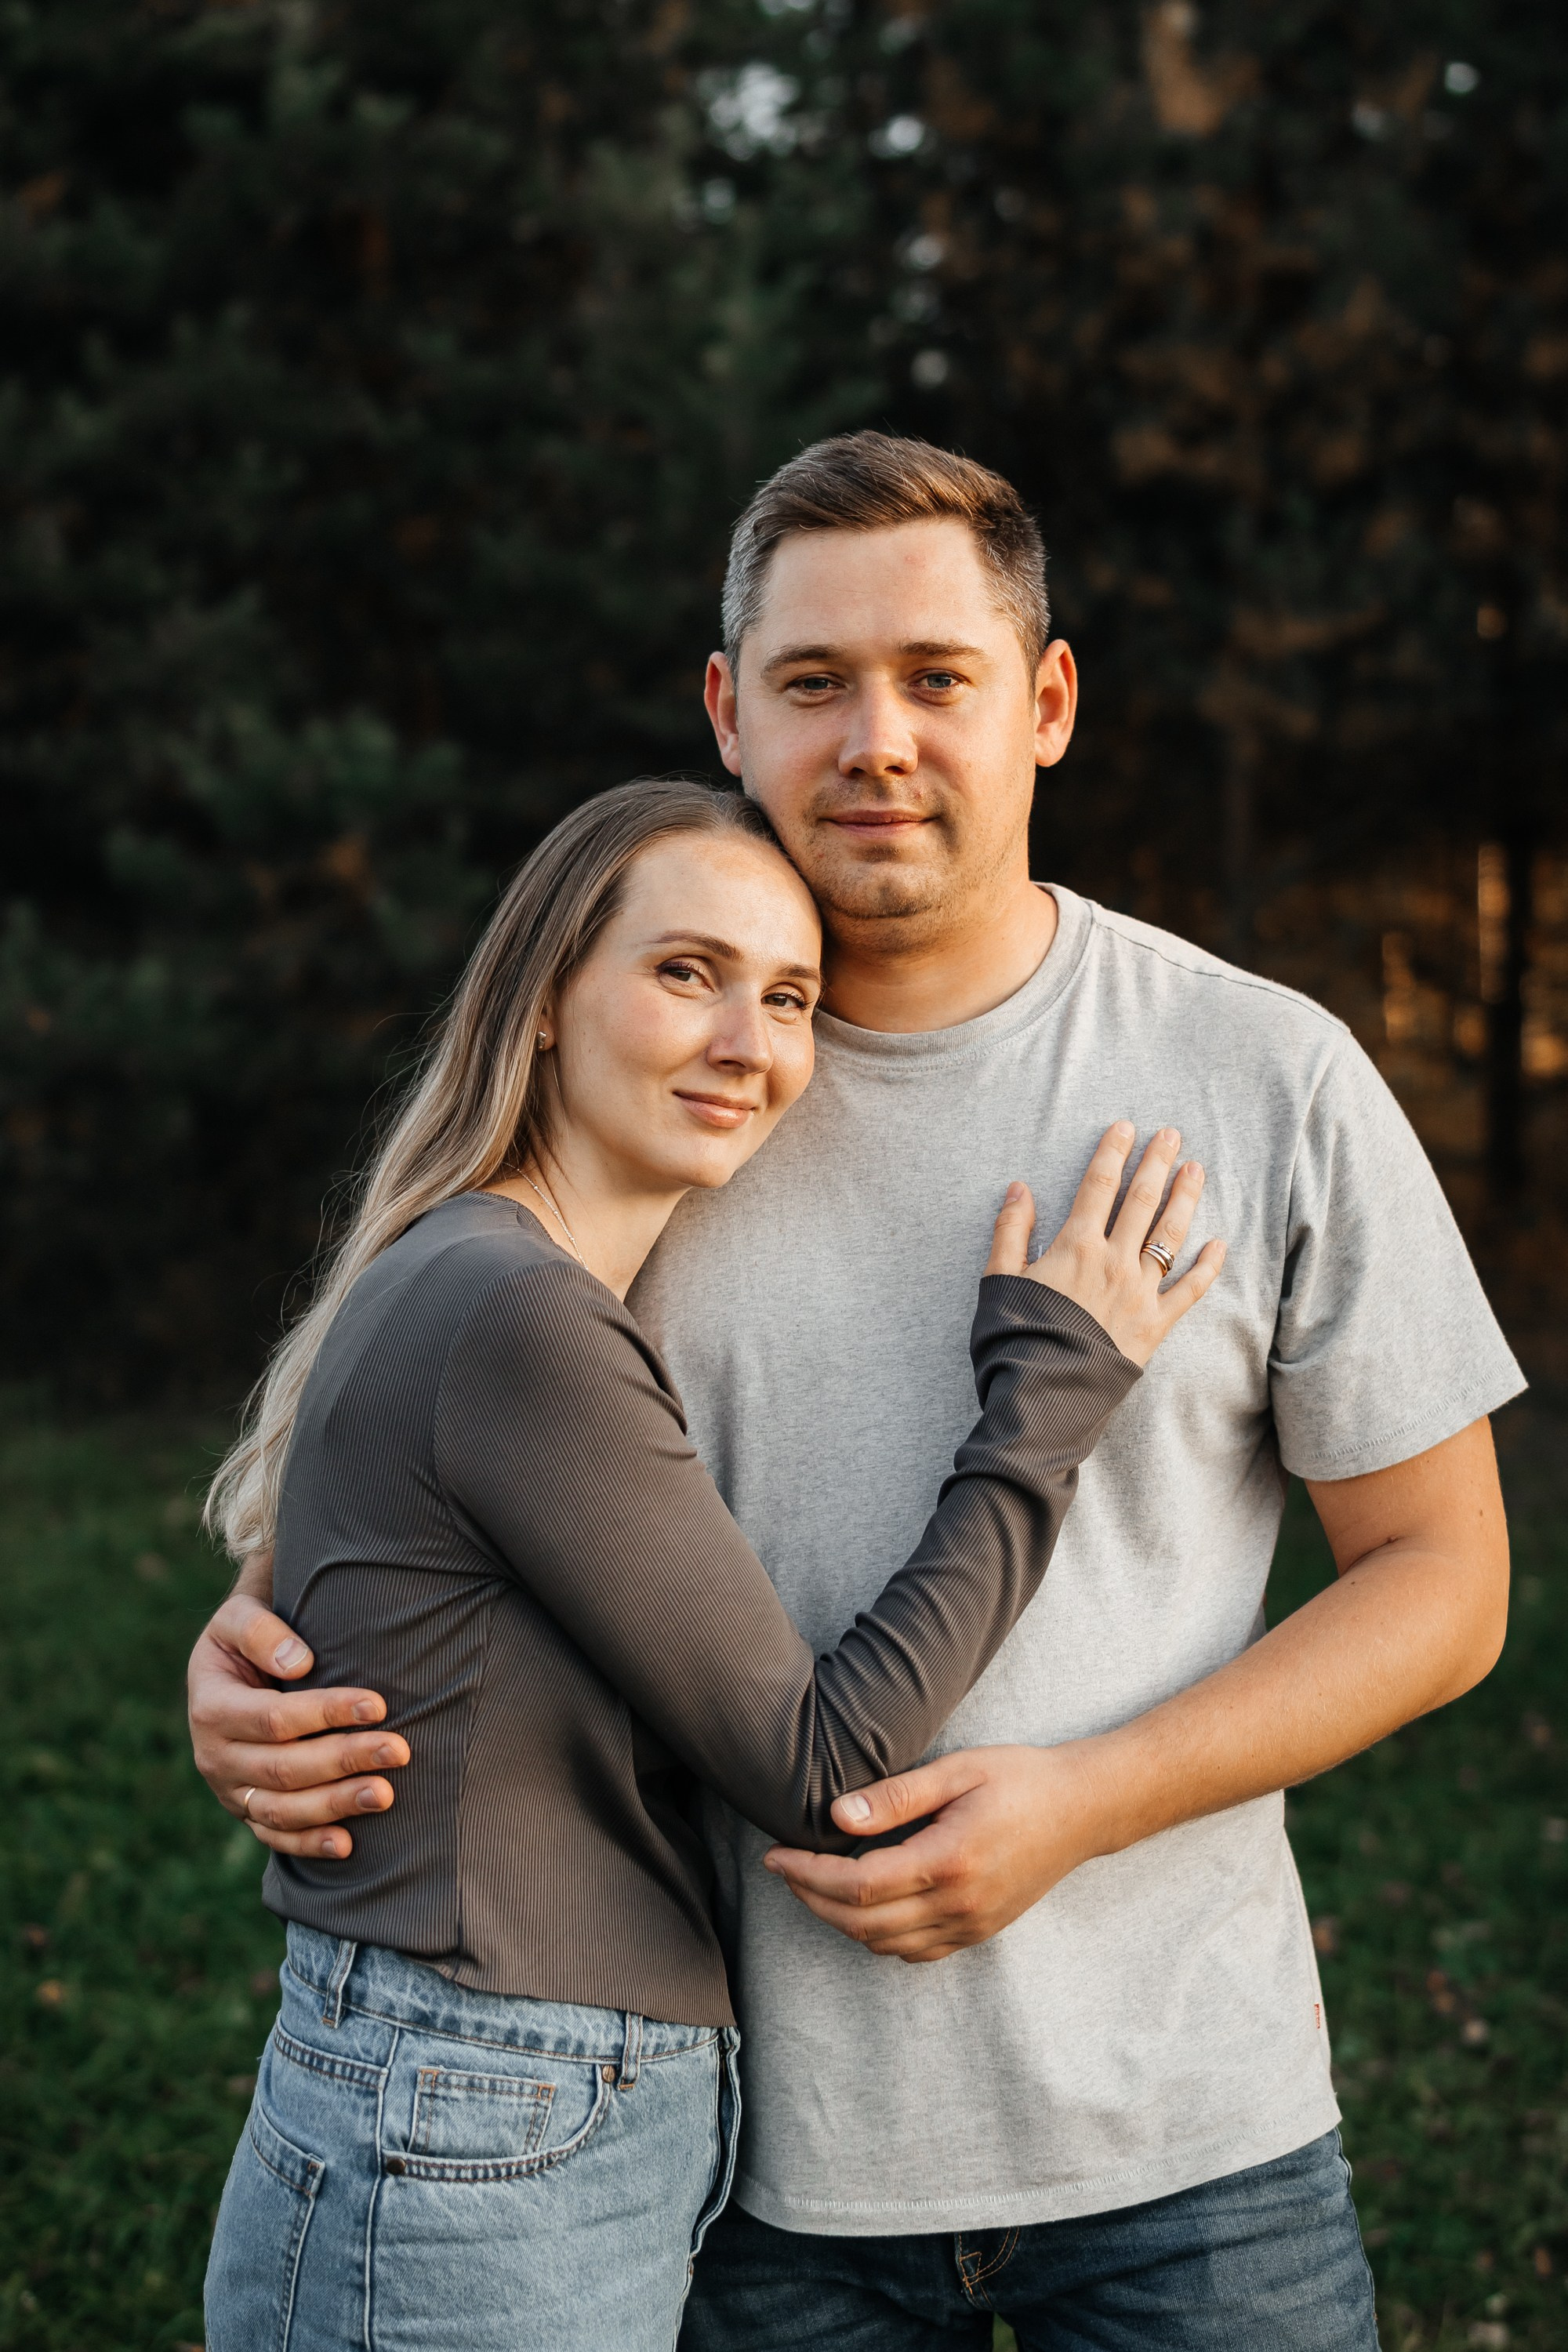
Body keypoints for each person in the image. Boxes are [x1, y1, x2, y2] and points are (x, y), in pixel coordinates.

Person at [189, 434, 1521, 2351]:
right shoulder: (663, 1100)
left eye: (937, 678)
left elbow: (1445, 1582)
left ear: (1045, 703)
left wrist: (1082, 1801)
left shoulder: (1262, 1070)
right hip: (741, 2172)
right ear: (728, 712)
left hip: (1181, 2141)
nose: (874, 738)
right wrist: (255, 1656)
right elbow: (448, 1464)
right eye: (813, 683)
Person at [198, 772, 1215, 2352]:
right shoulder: (515, 1309)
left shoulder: (489, 1277)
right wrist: (1047, 1400)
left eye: (790, 997)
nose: (752, 1042)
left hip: (501, 2107)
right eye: (688, 975)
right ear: (544, 1001)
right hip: (483, 2121)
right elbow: (818, 1765)